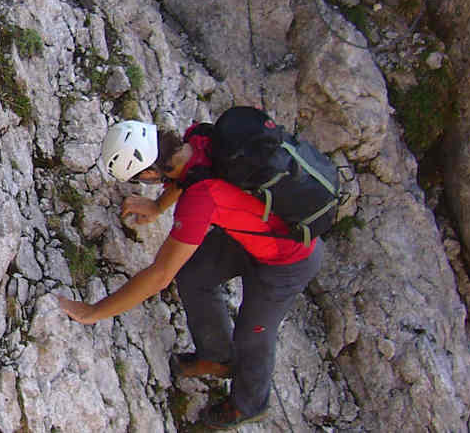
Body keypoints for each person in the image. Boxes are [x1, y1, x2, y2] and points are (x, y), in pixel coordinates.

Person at [59, 111, 325, 430]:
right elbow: (187, 175)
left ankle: (249, 404)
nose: (141, 184)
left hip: (288, 259)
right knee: (195, 275)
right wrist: (158, 207)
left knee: (252, 335)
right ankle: (216, 358)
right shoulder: (198, 136)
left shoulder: (201, 201)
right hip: (250, 236)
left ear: (151, 172)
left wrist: (92, 312)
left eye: (139, 178)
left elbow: (159, 276)